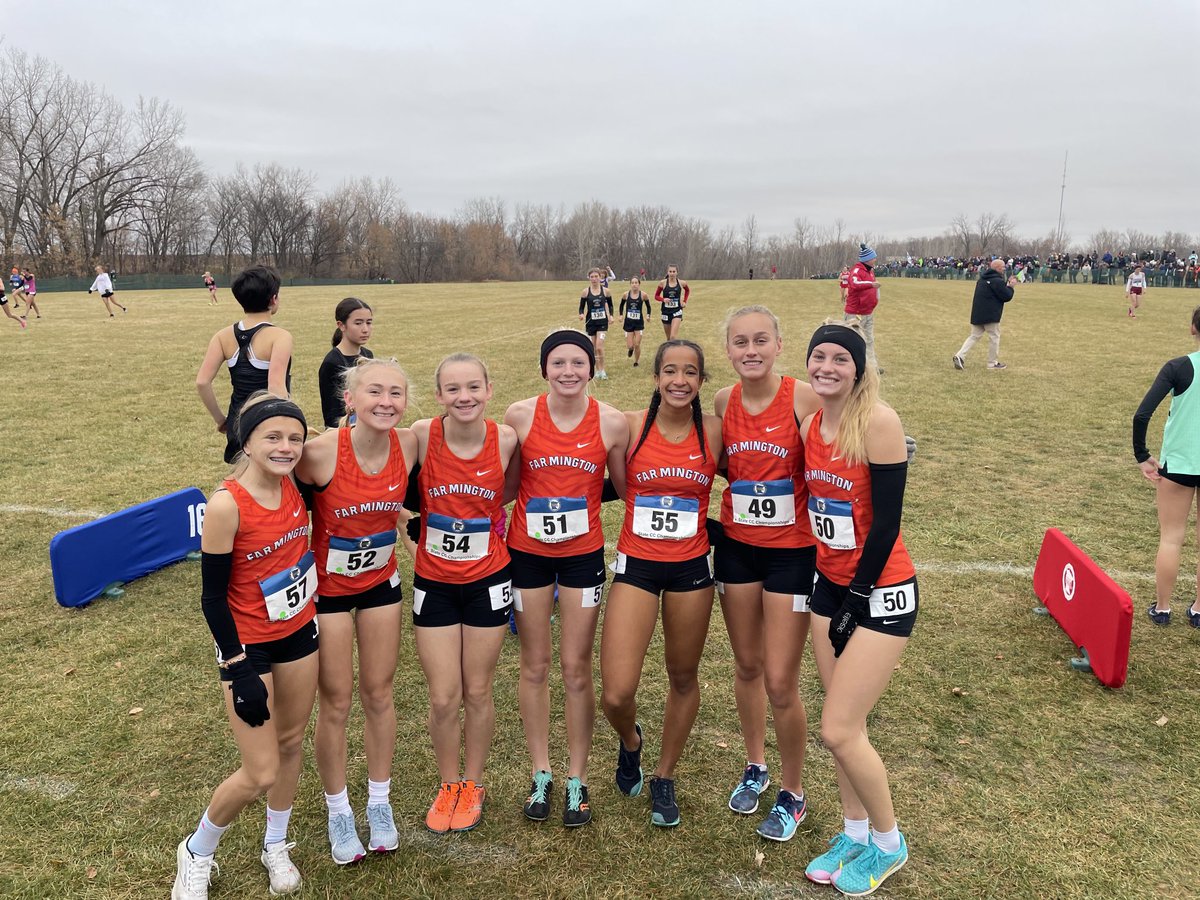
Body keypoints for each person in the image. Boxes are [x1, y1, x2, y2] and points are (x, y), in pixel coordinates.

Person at [173, 393, 318, 900]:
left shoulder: (297, 482)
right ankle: (197, 850)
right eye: (272, 437)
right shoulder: (227, 504)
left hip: (299, 633)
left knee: (292, 741)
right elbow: (212, 599)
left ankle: (274, 844)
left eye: (295, 438)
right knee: (260, 770)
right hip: (248, 646)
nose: (286, 447)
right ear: (247, 442)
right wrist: (237, 668)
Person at [800, 322, 916, 896]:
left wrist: (857, 598)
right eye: (818, 356)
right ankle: (854, 832)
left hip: (881, 592)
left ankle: (890, 844)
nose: (827, 366)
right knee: (848, 725)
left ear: (859, 367)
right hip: (827, 586)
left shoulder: (878, 422)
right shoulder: (810, 424)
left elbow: (887, 524)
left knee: (839, 730)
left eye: (840, 358)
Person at [503, 330, 629, 827]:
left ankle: (577, 777)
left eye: (578, 362)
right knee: (534, 665)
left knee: (577, 668)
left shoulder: (612, 422)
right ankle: (541, 771)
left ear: (591, 366)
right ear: (544, 369)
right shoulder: (520, 415)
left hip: (582, 557)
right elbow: (507, 484)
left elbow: (623, 487)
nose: (569, 371)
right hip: (527, 556)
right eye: (559, 363)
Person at [295, 357, 417, 863]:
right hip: (329, 592)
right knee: (338, 701)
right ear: (349, 399)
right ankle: (338, 808)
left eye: (395, 393)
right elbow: (272, 496)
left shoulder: (409, 444)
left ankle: (380, 803)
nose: (385, 402)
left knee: (380, 693)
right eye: (374, 392)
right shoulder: (319, 454)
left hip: (381, 584)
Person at [600, 340, 722, 828]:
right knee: (616, 692)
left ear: (700, 381)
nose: (680, 380)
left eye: (690, 372)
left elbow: (769, 463)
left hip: (693, 568)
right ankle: (632, 742)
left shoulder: (714, 432)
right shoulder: (630, 426)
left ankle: (665, 775)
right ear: (655, 378)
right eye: (670, 370)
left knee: (683, 676)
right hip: (639, 565)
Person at [713, 306, 821, 842]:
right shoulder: (722, 402)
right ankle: (755, 765)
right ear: (728, 351)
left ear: (779, 344)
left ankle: (794, 792)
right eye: (739, 342)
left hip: (791, 555)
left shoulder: (801, 397)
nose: (750, 350)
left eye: (760, 340)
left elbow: (842, 436)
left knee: (781, 680)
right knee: (748, 665)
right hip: (737, 551)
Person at [408, 353, 518, 834]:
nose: (464, 397)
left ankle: (473, 784)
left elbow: (518, 490)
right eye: (452, 389)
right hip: (433, 582)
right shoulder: (422, 434)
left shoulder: (507, 439)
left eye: (473, 387)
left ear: (489, 390)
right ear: (439, 396)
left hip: (488, 581)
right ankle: (448, 783)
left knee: (477, 690)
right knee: (442, 696)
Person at [1133, 306, 1200, 629]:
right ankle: (1199, 610)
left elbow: (1142, 415)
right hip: (1181, 464)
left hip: (1180, 465)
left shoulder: (1179, 367)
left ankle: (1162, 608)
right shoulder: (1179, 367)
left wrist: (1141, 455)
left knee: (1171, 538)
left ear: (1193, 329)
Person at [196, 266, 294, 463]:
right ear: (273, 299)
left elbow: (202, 382)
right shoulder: (280, 337)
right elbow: (276, 387)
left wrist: (221, 420)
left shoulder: (222, 336)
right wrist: (291, 425)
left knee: (241, 485)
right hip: (267, 426)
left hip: (237, 424)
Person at [318, 298, 375, 428]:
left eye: (369, 322)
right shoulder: (332, 363)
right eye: (358, 323)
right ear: (341, 325)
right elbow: (331, 415)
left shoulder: (368, 355)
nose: (365, 329)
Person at [952, 258, 1017, 371]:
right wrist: (1011, 287)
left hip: (978, 313)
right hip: (991, 315)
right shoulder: (997, 281)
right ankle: (992, 363)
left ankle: (960, 355)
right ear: (997, 268)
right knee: (994, 337)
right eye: (1002, 267)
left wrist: (1006, 284)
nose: (1004, 269)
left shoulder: (982, 279)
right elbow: (1006, 296)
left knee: (974, 336)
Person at [844, 246, 880, 373]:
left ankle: (872, 367)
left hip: (868, 312)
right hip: (855, 313)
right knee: (854, 339)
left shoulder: (870, 271)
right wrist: (870, 284)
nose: (875, 259)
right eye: (873, 257)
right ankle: (854, 367)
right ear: (867, 259)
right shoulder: (856, 271)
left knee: (869, 340)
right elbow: (854, 284)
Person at [578, 268, 614, 380]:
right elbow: (581, 307)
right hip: (590, 322)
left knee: (599, 346)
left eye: (596, 276)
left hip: (602, 322)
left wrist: (611, 315)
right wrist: (581, 314)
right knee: (592, 347)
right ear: (589, 278)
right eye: (592, 277)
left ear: (600, 277)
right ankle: (596, 370)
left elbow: (611, 305)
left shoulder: (606, 291)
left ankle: (602, 370)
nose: (594, 279)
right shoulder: (585, 292)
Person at [619, 276, 652, 366]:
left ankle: (636, 361)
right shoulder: (626, 294)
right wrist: (621, 315)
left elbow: (648, 307)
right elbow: (621, 305)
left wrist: (648, 315)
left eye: (636, 283)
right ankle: (630, 349)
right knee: (630, 346)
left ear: (639, 284)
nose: (634, 285)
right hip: (628, 323)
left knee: (637, 344)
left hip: (638, 323)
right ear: (630, 284)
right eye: (632, 283)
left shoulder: (643, 295)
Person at [654, 265, 690, 341]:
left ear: (677, 273)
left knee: (673, 337)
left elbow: (687, 290)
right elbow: (656, 296)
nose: (672, 273)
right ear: (668, 272)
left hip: (677, 311)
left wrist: (684, 301)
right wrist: (663, 299)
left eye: (674, 271)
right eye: (670, 271)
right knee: (668, 338)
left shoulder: (681, 283)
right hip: (665, 312)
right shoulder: (662, 283)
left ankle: (674, 352)